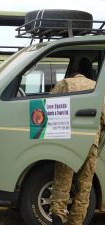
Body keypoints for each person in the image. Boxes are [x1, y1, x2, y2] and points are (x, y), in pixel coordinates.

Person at [50, 58, 103, 225]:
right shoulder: (97, 87)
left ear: (74, 70)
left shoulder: (63, 84)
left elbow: (48, 107)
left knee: (62, 181)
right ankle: (76, 221)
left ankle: (58, 214)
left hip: (67, 141)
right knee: (84, 186)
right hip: (90, 143)